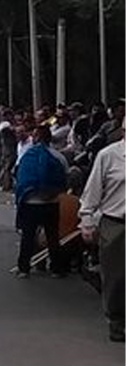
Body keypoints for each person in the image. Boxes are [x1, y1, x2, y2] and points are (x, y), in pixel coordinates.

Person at [78, 137, 124, 342]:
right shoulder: (109, 156)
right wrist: (87, 220)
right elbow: (92, 192)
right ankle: (116, 320)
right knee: (116, 277)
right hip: (116, 224)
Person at [14, 125, 69, 279]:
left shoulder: (26, 154)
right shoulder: (58, 156)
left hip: (30, 202)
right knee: (52, 236)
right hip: (51, 203)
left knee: (28, 237)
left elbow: (18, 175)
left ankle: (24, 268)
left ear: (37, 137)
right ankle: (56, 268)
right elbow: (65, 177)